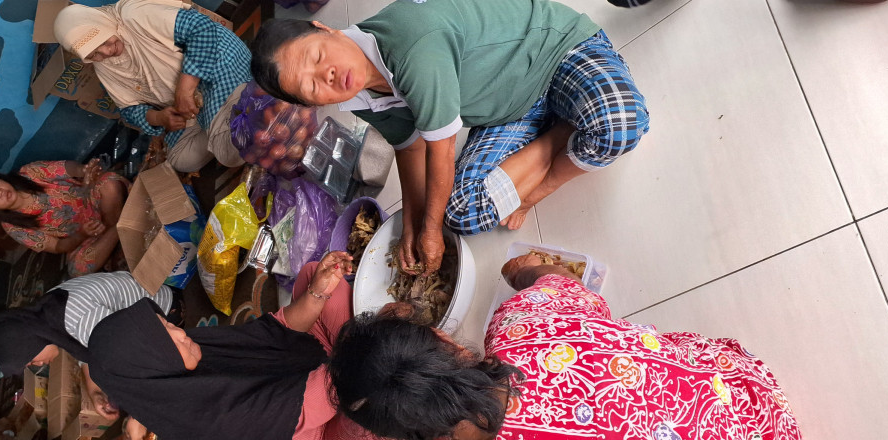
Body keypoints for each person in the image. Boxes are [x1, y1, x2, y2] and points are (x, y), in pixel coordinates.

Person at [328, 253, 820, 440]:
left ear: (420, 436)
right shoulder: (524, 323)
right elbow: (556, 280)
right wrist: (523, 269)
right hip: (759, 411)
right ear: (446, 341)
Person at [249, 0, 649, 275]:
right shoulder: (357, 94)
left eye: (318, 57)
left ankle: (545, 170)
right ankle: (560, 130)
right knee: (461, 214)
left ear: (325, 29)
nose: (329, 77)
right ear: (311, 104)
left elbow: (441, 150)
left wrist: (429, 230)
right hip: (510, 111)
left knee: (619, 124)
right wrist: (411, 224)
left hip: (556, 52)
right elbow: (408, 145)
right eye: (313, 87)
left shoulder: (409, 42)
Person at [87, 251, 394, 440]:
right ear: (152, 369)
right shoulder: (206, 420)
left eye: (167, 325)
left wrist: (318, 292)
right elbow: (321, 397)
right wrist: (372, 345)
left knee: (314, 274)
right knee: (388, 397)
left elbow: (276, 332)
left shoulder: (193, 353)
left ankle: (368, 349)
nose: (181, 332)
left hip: (310, 368)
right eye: (167, 340)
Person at [53, 0, 252, 172]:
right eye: (93, 54)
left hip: (218, 68)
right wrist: (158, 117)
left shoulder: (133, 15)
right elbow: (129, 109)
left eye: (103, 41)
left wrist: (185, 89)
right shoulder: (104, 66)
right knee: (180, 159)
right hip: (193, 103)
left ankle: (233, 116)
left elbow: (201, 28)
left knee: (229, 154)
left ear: (102, 24)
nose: (106, 52)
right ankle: (227, 121)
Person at [0, 270, 175, 420]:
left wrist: (138, 416)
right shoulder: (48, 312)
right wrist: (94, 392)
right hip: (140, 317)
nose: (39, 365)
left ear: (30, 344)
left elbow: (141, 354)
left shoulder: (80, 320)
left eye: (31, 361)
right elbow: (87, 349)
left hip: (166, 313)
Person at [0, 159, 127, 277]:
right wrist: (81, 234)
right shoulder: (13, 227)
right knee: (77, 270)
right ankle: (122, 225)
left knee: (109, 184)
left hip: (96, 201)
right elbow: (58, 246)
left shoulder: (29, 173)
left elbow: (68, 167)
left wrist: (83, 171)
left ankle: (115, 233)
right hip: (86, 236)